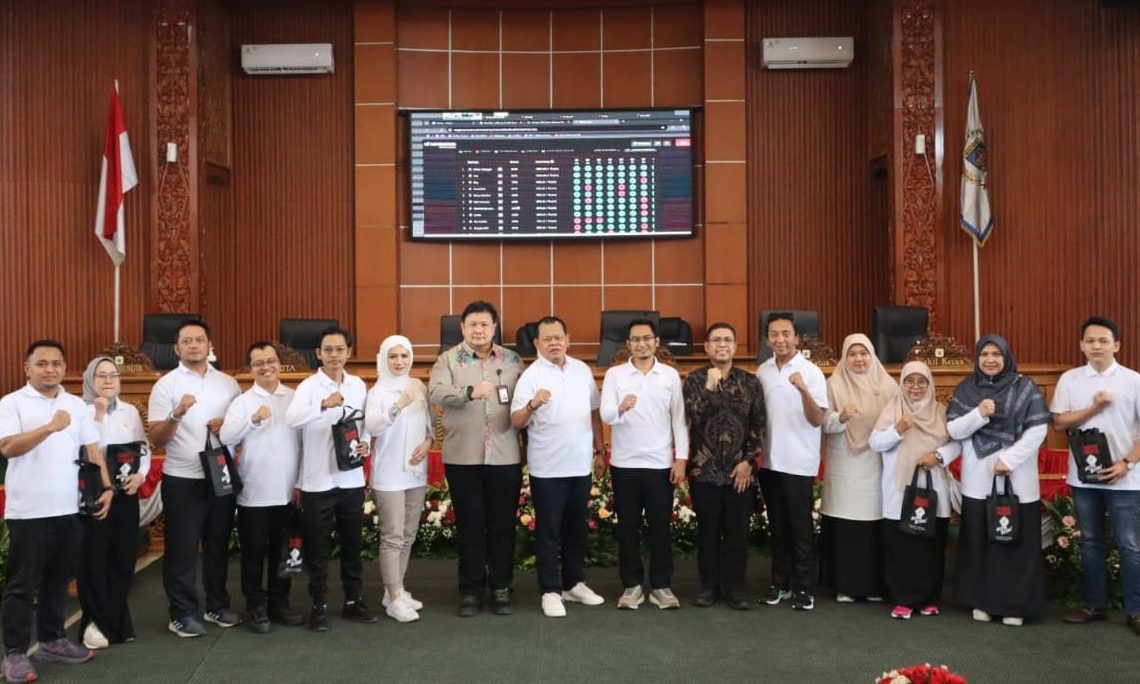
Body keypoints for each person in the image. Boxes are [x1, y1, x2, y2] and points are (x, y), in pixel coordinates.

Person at [0, 340, 113, 682]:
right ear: (27, 368)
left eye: (56, 363)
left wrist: (107, 487)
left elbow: (92, 449)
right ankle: (15, 653)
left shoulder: (75, 404)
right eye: (42, 363)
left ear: (64, 368)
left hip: (69, 509)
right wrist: (49, 427)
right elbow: (8, 448)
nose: (50, 369)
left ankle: (51, 641)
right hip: (28, 511)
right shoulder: (11, 403)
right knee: (22, 586)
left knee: (59, 580)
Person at [429, 301, 524, 617]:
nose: (478, 330)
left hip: (505, 456)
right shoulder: (448, 360)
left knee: (502, 526)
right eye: (472, 324)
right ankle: (470, 590)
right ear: (462, 328)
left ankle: (501, 587)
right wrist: (469, 392)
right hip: (463, 457)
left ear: (494, 327)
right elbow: (436, 393)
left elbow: (524, 401)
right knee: (470, 526)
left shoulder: (512, 360)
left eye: (484, 324)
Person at [947, 335, 1050, 626]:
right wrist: (979, 414)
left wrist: (1011, 459)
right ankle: (982, 601)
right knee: (980, 544)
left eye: (996, 354)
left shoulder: (1024, 387)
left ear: (1006, 357)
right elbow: (954, 430)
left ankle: (1015, 605)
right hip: (978, 480)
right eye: (984, 354)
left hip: (1017, 479)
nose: (990, 359)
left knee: (1014, 543)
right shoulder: (966, 388)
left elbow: (1038, 429)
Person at [148, 320, 242, 637]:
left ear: (209, 345)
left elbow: (240, 429)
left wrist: (227, 424)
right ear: (176, 348)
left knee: (218, 545)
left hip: (221, 474)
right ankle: (182, 613)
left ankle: (217, 606)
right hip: (183, 478)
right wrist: (176, 414)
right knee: (182, 549)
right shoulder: (166, 385)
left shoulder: (228, 383)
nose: (193, 345)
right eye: (186, 341)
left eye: (199, 340)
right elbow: (156, 438)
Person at [510, 316, 606, 618]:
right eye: (547, 339)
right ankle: (550, 591)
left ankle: (573, 583)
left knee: (576, 530)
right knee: (549, 532)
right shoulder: (531, 376)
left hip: (580, 465)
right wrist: (532, 405)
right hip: (547, 469)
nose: (554, 343)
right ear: (537, 343)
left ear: (568, 339)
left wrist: (600, 450)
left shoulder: (582, 370)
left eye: (558, 337)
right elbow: (515, 421)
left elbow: (594, 412)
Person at [1052, 316, 1140, 636]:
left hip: (1125, 479)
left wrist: (1127, 463)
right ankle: (1095, 605)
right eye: (1090, 341)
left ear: (1117, 345)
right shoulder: (1070, 380)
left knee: (1129, 544)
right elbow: (1059, 422)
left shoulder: (1133, 381)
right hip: (1083, 479)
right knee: (1090, 542)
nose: (1096, 346)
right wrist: (1094, 408)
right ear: (1081, 345)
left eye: (1103, 341)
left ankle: (1135, 610)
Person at [285, 326, 377, 631]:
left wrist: (365, 444)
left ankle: (353, 600)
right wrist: (323, 404)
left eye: (340, 349)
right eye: (328, 349)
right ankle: (319, 604)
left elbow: (364, 423)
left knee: (352, 544)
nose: (334, 355)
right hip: (318, 481)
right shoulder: (308, 386)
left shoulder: (358, 385)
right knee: (318, 547)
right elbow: (291, 419)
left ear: (349, 352)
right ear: (318, 353)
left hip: (350, 478)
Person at [600, 318, 688, 610]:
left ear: (656, 342)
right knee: (628, 528)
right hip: (625, 465)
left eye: (647, 338)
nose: (642, 344)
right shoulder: (615, 375)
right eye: (635, 339)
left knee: (660, 528)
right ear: (628, 345)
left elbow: (679, 420)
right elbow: (605, 416)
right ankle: (632, 586)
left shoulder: (670, 375)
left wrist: (680, 458)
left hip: (660, 465)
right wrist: (621, 408)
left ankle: (661, 586)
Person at [219, 342, 304, 634]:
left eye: (270, 361)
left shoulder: (294, 398)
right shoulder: (242, 402)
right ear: (250, 368)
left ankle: (279, 603)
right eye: (258, 363)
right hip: (253, 493)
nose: (266, 367)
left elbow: (305, 444)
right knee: (253, 554)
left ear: (279, 363)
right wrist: (252, 420)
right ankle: (255, 605)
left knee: (284, 551)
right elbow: (226, 436)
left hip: (288, 491)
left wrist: (300, 482)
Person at [682, 322, 765, 610]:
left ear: (735, 345)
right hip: (704, 471)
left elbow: (758, 426)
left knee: (737, 534)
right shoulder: (694, 380)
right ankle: (707, 587)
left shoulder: (750, 382)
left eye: (728, 339)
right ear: (706, 347)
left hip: (739, 472)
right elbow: (692, 417)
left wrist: (748, 462)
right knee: (707, 533)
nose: (722, 344)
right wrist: (708, 388)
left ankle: (736, 589)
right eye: (716, 340)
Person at [869, 361, 959, 620]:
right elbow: (875, 442)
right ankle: (902, 600)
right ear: (903, 384)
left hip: (934, 488)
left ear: (929, 384)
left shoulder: (940, 411)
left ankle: (930, 599)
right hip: (899, 490)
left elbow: (957, 444)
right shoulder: (892, 409)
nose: (915, 387)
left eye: (921, 382)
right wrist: (897, 429)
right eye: (910, 381)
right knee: (901, 547)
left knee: (931, 546)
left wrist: (938, 456)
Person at [755, 312, 828, 611]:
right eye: (774, 334)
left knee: (801, 529)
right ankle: (780, 583)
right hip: (770, 463)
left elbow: (818, 419)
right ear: (767, 339)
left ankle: (805, 587)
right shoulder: (763, 371)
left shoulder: (811, 372)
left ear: (797, 338)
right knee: (778, 528)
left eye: (786, 334)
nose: (780, 339)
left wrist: (803, 390)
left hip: (799, 463)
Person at [76, 355, 150, 649]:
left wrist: (141, 475)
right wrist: (98, 413)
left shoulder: (129, 410)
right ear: (90, 380)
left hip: (125, 494)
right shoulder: (80, 411)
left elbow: (142, 447)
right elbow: (87, 449)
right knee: (94, 559)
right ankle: (93, 622)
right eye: (101, 375)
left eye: (113, 375)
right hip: (95, 493)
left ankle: (116, 621)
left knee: (123, 558)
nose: (108, 380)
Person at [819, 334, 898, 603]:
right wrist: (840, 417)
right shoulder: (833, 383)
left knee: (873, 524)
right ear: (844, 357)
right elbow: (821, 422)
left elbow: (899, 418)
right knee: (846, 524)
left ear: (872, 355)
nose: (858, 359)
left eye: (863, 353)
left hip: (876, 462)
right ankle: (846, 585)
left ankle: (873, 586)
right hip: (844, 463)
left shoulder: (887, 384)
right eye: (852, 354)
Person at [364, 335, 434, 623]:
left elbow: (430, 426)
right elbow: (372, 426)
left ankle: (396, 589)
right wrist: (398, 405)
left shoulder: (418, 385)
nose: (399, 361)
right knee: (393, 537)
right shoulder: (377, 392)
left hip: (415, 472)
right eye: (393, 356)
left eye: (404, 356)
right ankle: (394, 598)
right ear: (384, 359)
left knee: (408, 535)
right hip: (389, 473)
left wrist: (427, 443)